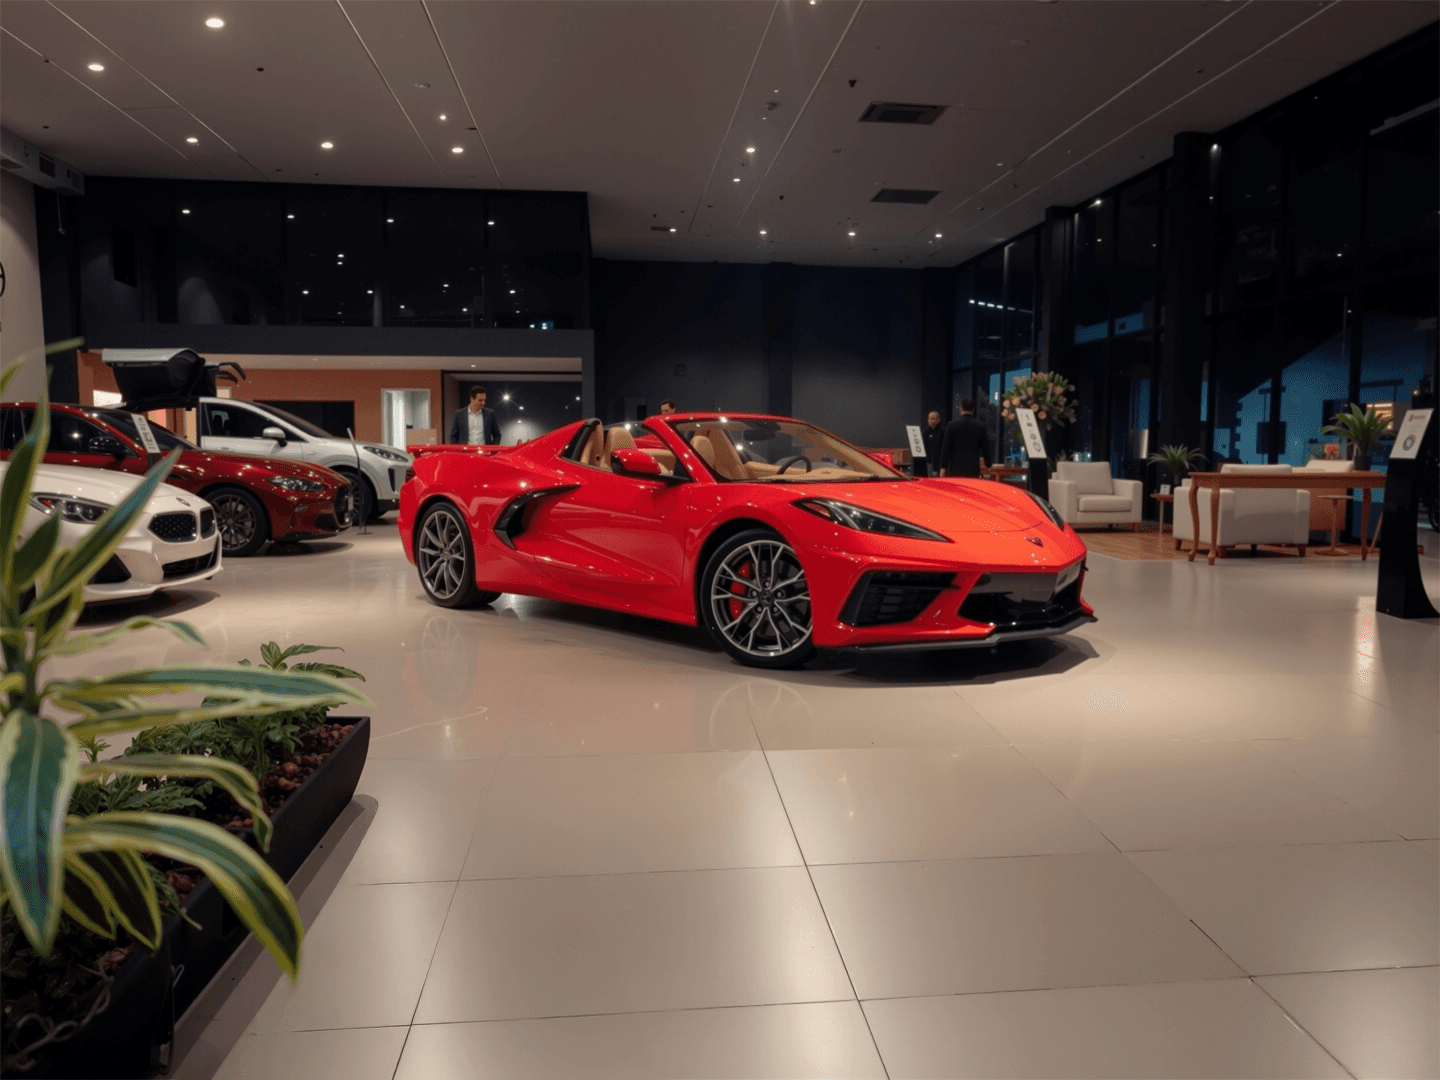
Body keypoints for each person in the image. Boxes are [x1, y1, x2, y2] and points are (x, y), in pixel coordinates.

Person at [938, 399, 990, 478]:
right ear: (973, 410)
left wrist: (943, 467)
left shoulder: (952, 425)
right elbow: (985, 448)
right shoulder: (980, 426)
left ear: (961, 408)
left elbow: (946, 448)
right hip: (973, 469)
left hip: (955, 468)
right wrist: (988, 464)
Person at [919, 410, 944, 476]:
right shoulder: (925, 432)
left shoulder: (942, 432)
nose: (931, 420)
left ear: (938, 420)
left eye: (933, 418)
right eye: (929, 418)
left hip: (939, 463)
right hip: (928, 462)